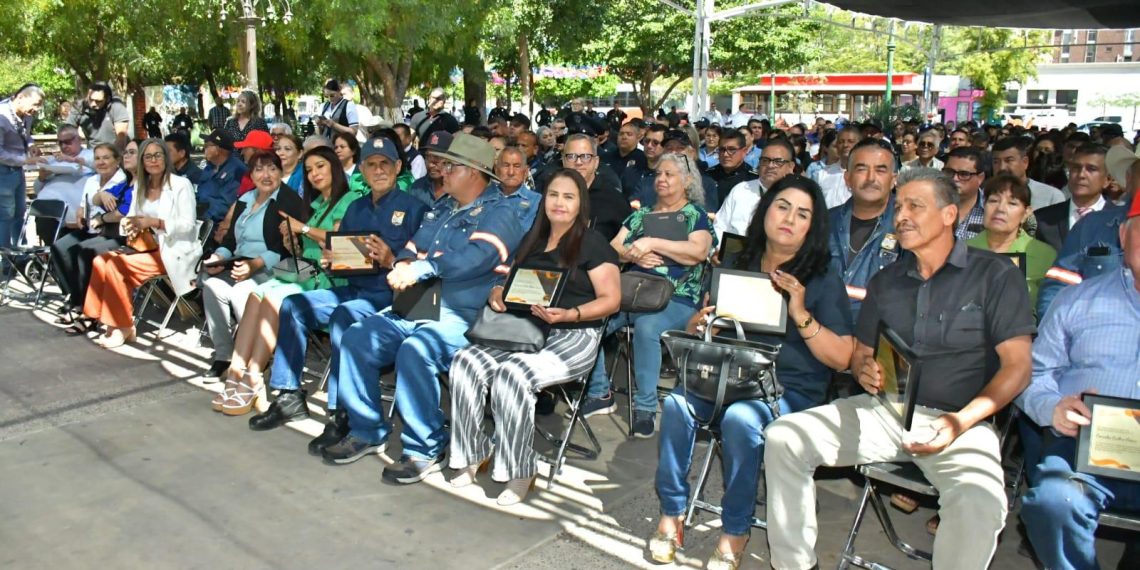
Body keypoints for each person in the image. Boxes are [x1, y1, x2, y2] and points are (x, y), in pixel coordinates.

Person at [764, 168, 1035, 570]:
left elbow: (1019, 367)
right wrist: (864, 369)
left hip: (961, 421)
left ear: (948, 215)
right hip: (884, 412)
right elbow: (860, 354)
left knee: (981, 499)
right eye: (899, 206)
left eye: (915, 206)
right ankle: (795, 565)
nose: (901, 215)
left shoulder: (995, 275)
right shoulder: (887, 281)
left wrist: (962, 421)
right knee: (784, 436)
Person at [650, 175, 854, 569]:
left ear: (813, 226)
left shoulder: (822, 278)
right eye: (782, 207)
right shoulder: (737, 262)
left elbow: (843, 358)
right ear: (765, 212)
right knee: (675, 404)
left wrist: (800, 311)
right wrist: (698, 324)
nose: (789, 219)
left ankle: (736, 529)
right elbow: (705, 328)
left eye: (802, 213)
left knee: (743, 420)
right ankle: (672, 512)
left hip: (788, 386)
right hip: (727, 374)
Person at [324, 134, 525, 485]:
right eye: (442, 164)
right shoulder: (443, 208)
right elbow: (411, 248)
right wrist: (404, 264)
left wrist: (421, 268)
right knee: (357, 338)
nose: (441, 171)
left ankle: (424, 447)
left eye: (450, 165)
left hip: (465, 314)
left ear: (474, 171)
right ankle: (367, 428)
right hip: (420, 303)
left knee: (416, 350)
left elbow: (475, 259)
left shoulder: (501, 212)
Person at [447, 168, 621, 505]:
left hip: (574, 335)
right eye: (553, 194)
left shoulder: (592, 242)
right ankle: (472, 453)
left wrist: (571, 314)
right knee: (465, 361)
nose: (559, 203)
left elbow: (612, 301)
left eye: (569, 196)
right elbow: (510, 282)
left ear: (580, 203)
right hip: (524, 330)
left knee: (513, 376)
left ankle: (520, 469)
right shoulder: (534, 238)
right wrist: (498, 291)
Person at [247, 138, 426, 437]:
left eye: (385, 163)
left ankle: (340, 410)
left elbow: (422, 267)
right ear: (363, 171)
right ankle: (289, 394)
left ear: (397, 167)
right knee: (294, 306)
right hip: (353, 288)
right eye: (371, 164)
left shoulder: (415, 209)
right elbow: (343, 253)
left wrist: (391, 260)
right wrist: (333, 259)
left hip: (389, 297)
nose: (378, 170)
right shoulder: (356, 207)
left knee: (344, 315)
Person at [1016, 191, 1140, 570]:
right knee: (1054, 501)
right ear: (1123, 236)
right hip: (1088, 452)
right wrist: (1053, 407)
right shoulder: (1077, 301)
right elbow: (1032, 375)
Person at [581, 152, 715, 438]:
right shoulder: (641, 214)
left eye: (670, 174)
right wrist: (633, 254)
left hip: (678, 298)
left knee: (647, 327)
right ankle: (599, 392)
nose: (662, 179)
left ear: (687, 181)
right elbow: (613, 246)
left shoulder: (695, 216)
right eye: (659, 174)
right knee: (590, 320)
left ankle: (645, 408)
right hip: (635, 292)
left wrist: (652, 241)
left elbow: (698, 252)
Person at [198, 150, 308, 412]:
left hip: (272, 266)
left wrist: (255, 264)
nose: (266, 175)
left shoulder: (288, 201)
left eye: (272, 169)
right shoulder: (245, 199)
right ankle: (225, 355)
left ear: (281, 173)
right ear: (251, 175)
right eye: (259, 170)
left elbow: (289, 250)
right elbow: (230, 242)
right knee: (212, 286)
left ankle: (251, 364)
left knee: (246, 291)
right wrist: (218, 257)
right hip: (239, 261)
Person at [82, 139, 202, 348]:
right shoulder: (140, 186)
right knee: (102, 261)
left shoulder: (181, 185)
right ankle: (104, 319)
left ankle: (121, 326)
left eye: (158, 155)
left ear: (166, 158)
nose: (153, 160)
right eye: (148, 156)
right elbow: (129, 216)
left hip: (174, 251)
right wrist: (130, 225)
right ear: (142, 161)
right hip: (145, 246)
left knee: (117, 266)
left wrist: (154, 222)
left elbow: (188, 225)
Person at [50, 142, 132, 329]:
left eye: (106, 158)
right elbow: (83, 204)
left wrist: (101, 210)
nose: (101, 162)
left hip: (111, 232)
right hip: (89, 228)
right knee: (59, 248)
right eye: (97, 158)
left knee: (82, 252)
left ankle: (85, 307)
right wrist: (79, 213)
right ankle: (73, 295)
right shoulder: (92, 180)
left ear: (117, 160)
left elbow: (120, 213)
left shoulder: (122, 181)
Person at [827, 139, 899, 319]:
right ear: (847, 178)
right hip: (822, 330)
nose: (871, 178)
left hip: (877, 334)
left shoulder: (906, 228)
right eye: (861, 169)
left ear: (893, 180)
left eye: (881, 170)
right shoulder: (823, 221)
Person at [966, 174, 1057, 313]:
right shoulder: (962, 250)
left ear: (1026, 213)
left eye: (1012, 203)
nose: (1000, 209)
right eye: (994, 200)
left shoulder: (1045, 255)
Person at [1034, 143, 1115, 251]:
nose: (1081, 175)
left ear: (1107, 180)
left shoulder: (1121, 220)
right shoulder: (1042, 220)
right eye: (1076, 168)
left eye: (1091, 169)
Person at [713, 139, 796, 241]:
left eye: (778, 162)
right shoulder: (741, 190)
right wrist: (718, 252)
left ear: (791, 167)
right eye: (765, 160)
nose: (770, 166)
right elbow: (720, 225)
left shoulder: (798, 197)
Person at [558, 134, 631, 241]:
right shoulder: (553, 196)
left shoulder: (614, 200)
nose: (578, 162)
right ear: (564, 161)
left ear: (596, 162)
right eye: (571, 156)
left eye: (586, 157)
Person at [30, 124, 94, 242]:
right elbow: (37, 189)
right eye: (60, 143)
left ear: (79, 139)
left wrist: (74, 160)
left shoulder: (90, 155)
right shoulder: (54, 160)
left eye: (68, 142)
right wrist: (41, 178)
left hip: (72, 212)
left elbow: (101, 167)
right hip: (46, 209)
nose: (64, 146)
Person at [1, 83, 44, 253]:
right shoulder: (2, 116)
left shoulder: (26, 115)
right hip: (2, 172)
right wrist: (25, 159)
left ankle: (21, 254)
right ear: (20, 98)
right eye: (35, 104)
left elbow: (26, 134)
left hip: (17, 171)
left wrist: (31, 145)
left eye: (39, 106)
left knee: (20, 214)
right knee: (5, 216)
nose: (36, 109)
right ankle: (6, 261)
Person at [990, 137, 1066, 211]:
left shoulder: (1052, 196)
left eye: (1009, 160)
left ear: (1025, 162)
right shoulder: (986, 194)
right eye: (996, 162)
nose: (1002, 167)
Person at [197, 130, 248, 225]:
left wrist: (202, 219)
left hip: (216, 224)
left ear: (219, 149)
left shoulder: (236, 170)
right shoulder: (209, 167)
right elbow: (199, 193)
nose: (204, 148)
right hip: (201, 216)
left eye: (207, 146)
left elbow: (225, 205)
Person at [943, 146, 987, 241]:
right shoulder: (931, 204)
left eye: (963, 174)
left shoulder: (992, 209)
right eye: (949, 172)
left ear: (980, 178)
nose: (954, 178)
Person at [493, 146, 540, 229]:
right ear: (496, 170)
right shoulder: (485, 195)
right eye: (506, 165)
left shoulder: (536, 201)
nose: (511, 172)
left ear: (525, 171)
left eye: (517, 166)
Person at [706, 130, 758, 206]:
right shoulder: (708, 176)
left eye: (732, 150)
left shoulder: (753, 178)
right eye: (722, 149)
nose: (725, 154)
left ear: (744, 151)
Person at [816, 127, 863, 208]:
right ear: (837, 145)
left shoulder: (866, 176)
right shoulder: (822, 174)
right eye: (841, 142)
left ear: (860, 144)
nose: (845, 145)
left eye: (850, 141)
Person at [75, 83, 129, 149]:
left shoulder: (116, 106)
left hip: (114, 151)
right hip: (92, 153)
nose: (93, 104)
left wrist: (114, 156)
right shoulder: (79, 107)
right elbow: (67, 132)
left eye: (98, 101)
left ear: (107, 99)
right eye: (90, 99)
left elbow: (121, 136)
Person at [406, 131, 451, 207]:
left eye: (437, 158)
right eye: (427, 157)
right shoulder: (416, 188)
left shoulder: (459, 190)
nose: (430, 165)